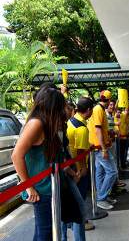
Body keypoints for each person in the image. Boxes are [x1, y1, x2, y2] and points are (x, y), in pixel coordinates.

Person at [12, 87, 67, 241]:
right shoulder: (36, 123)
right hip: (40, 189)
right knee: (45, 232)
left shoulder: (45, 123)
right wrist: (28, 186)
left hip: (48, 187)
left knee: (44, 231)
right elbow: (16, 156)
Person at [66, 97, 95, 232]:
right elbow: (80, 151)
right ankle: (80, 223)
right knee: (80, 197)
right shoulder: (82, 128)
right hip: (77, 168)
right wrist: (82, 170)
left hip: (69, 166)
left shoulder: (71, 121)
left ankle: (71, 222)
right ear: (88, 110)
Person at [88, 90, 118, 210]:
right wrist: (104, 149)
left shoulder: (98, 109)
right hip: (99, 148)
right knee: (112, 172)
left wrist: (108, 134)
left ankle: (102, 196)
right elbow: (98, 130)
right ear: (109, 100)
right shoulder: (99, 110)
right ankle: (101, 197)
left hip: (98, 146)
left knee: (100, 172)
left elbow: (101, 129)